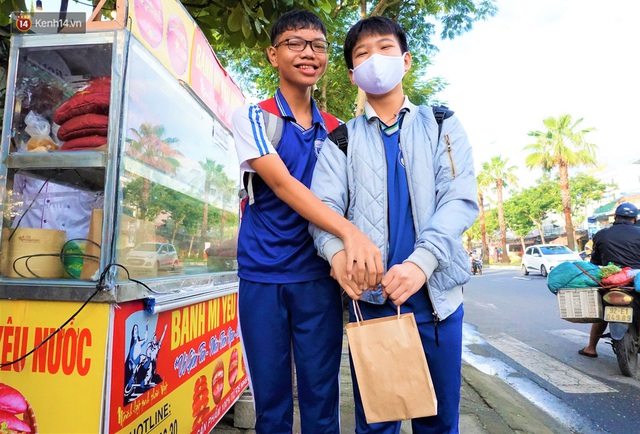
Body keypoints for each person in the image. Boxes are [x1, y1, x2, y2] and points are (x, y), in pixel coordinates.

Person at [310, 16, 479, 433]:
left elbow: (459, 199)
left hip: (437, 302)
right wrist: (335, 256)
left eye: (385, 48)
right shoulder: (340, 141)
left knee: (439, 423)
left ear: (405, 61)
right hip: (372, 306)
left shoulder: (442, 124)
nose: (375, 59)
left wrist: (422, 263)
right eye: (362, 54)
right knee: (376, 424)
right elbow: (322, 213)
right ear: (352, 75)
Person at [231, 10, 383, 433]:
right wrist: (351, 233)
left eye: (318, 45)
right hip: (263, 277)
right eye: (295, 43)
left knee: (322, 400)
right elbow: (281, 185)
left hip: (320, 278)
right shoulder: (253, 118)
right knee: (272, 402)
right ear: (272, 54)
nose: (308, 53)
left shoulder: (339, 130)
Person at [578, 202, 640, 358]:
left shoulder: (601, 234)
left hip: (610, 282)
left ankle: (591, 347)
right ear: (635, 218)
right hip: (635, 283)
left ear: (615, 217)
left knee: (603, 312)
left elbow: (595, 261)